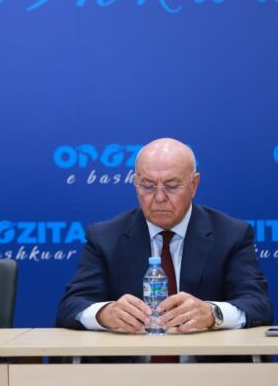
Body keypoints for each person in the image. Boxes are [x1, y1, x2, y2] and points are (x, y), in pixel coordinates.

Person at [57, 137, 272, 335]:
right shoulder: (105, 237)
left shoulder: (231, 234)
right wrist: (105, 313)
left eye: (172, 186)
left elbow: (258, 305)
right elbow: (71, 306)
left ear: (194, 185)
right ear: (135, 183)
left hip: (206, 362)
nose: (159, 197)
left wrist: (212, 314)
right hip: (129, 362)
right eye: (148, 186)